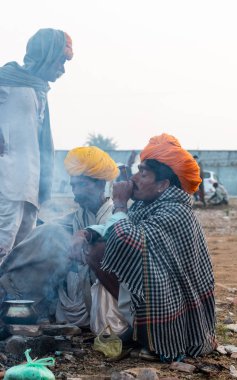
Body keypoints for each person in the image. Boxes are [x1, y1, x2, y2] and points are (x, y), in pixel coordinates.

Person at [86, 133, 216, 361]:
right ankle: (139, 328)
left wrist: (118, 203)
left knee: (99, 251)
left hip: (177, 314)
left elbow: (126, 240)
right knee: (94, 247)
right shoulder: (150, 205)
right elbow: (114, 229)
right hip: (162, 296)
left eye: (143, 173)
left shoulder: (175, 211)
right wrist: (88, 232)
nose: (134, 178)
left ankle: (151, 336)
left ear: (163, 185)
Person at [0, 146, 119, 323]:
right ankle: (7, 292)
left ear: (101, 184)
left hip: (107, 302)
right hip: (72, 301)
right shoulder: (77, 217)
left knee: (53, 234)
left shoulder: (116, 216)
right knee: (48, 233)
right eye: (73, 185)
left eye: (82, 185)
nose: (75, 191)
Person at [0, 28, 73, 260]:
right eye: (60, 61)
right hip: (7, 184)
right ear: (46, 55)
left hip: (30, 187)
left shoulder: (38, 89)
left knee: (18, 255)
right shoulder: (7, 80)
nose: (62, 69)